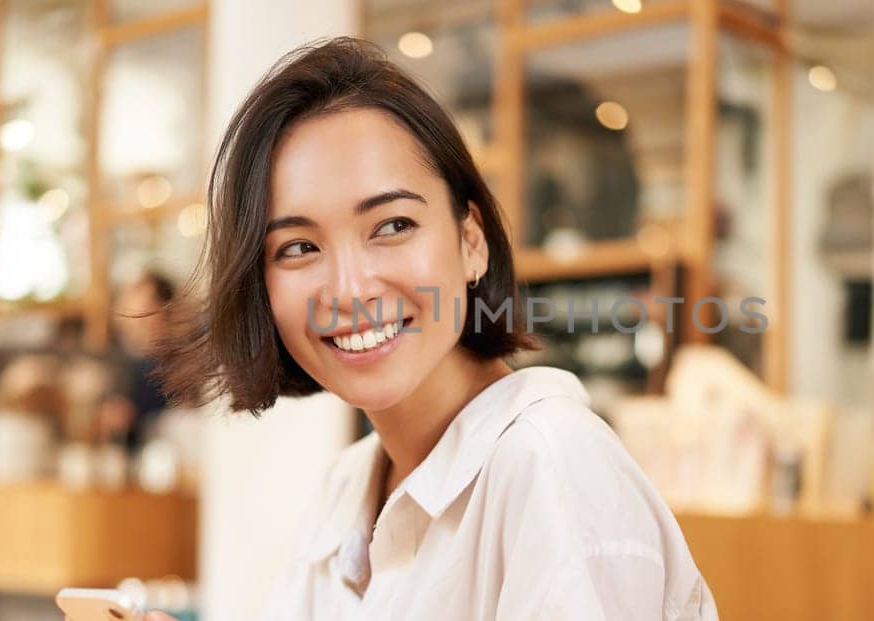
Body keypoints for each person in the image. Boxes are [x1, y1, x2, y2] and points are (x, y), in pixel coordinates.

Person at [149, 37, 716, 620]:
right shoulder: (350, 486)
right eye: (298, 247)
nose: (350, 289)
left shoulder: (550, 465)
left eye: (393, 225)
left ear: (471, 241)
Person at [101, 271, 176, 451]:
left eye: (143, 313)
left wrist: (129, 412)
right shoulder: (120, 359)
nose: (132, 318)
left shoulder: (177, 364)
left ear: (165, 311)